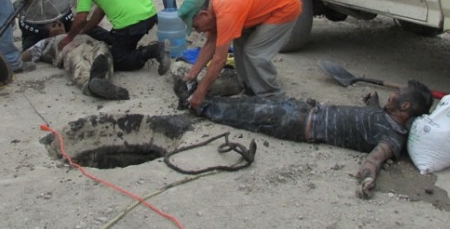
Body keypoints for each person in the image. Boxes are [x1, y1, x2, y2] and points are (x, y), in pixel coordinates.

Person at [174, 81, 433, 199]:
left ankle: (195, 105)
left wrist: (367, 178)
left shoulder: (392, 137)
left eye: (397, 94)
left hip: (302, 124)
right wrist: (373, 101)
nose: (392, 95)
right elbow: (370, 117)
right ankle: (200, 97)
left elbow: (375, 158)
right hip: (306, 110)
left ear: (406, 105)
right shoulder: (386, 114)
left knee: (245, 115)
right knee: (250, 103)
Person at [177, 0, 302, 108]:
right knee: (240, 42)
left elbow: (220, 60)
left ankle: (273, 97)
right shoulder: (214, 9)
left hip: (286, 5)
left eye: (196, 26)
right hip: (271, 0)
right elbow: (210, 44)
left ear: (204, 14)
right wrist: (191, 75)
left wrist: (200, 92)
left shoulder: (226, 12)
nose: (198, 31)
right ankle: (250, 86)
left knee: (254, 52)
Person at [58, 0, 171, 75]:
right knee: (117, 40)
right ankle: (129, 47)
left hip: (131, 23)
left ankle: (153, 50)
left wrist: (69, 37)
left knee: (116, 60)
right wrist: (86, 30)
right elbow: (99, 12)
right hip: (150, 14)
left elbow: (81, 17)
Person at [22, 25, 129, 101]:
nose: (58, 26)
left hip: (92, 44)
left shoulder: (76, 31)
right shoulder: (46, 42)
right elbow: (25, 55)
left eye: (60, 24)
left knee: (104, 55)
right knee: (79, 65)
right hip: (70, 50)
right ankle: (89, 85)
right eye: (54, 25)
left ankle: (101, 80)